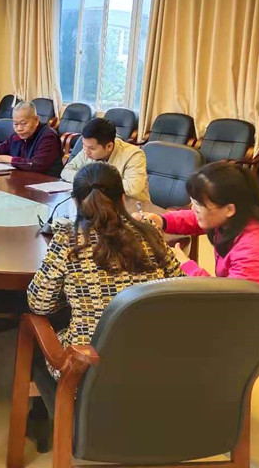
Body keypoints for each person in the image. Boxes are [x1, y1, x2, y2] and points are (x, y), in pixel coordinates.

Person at [134, 161, 259, 364]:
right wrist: (163, 221)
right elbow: (198, 219)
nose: (194, 208)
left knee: (174, 327)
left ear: (229, 209)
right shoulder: (244, 214)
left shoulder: (258, 246)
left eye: (199, 204)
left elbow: (230, 301)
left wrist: (185, 264)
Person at [28, 163, 184, 381]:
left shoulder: (67, 240)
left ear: (75, 202)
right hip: (153, 364)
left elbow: (39, 303)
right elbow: (180, 288)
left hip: (87, 372)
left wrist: (75, 297)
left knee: (44, 327)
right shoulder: (150, 234)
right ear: (123, 199)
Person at [61, 117, 150, 202]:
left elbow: (133, 188)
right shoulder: (88, 149)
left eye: (92, 148)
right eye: (84, 145)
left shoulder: (134, 155)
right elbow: (66, 171)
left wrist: (92, 180)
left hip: (132, 207)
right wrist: (90, 180)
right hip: (99, 204)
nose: (86, 152)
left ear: (109, 146)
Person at [0, 101, 62, 176]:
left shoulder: (48, 136)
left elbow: (36, 165)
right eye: (15, 124)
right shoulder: (18, 135)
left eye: (23, 123)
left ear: (36, 120)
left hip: (45, 183)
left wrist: (5, 159)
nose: (19, 129)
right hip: (22, 179)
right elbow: (2, 148)